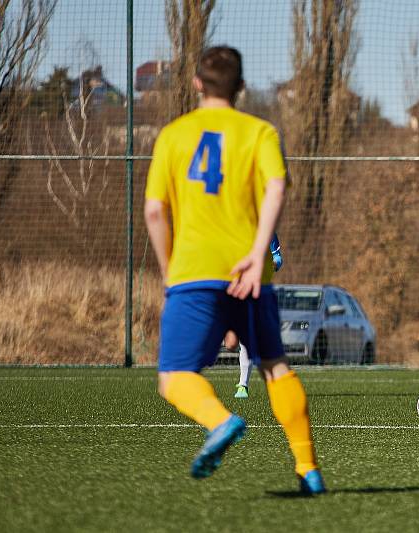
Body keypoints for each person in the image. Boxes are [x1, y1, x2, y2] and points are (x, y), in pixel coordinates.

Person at [144, 46, 325, 494]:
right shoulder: (260, 131)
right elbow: (277, 188)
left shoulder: (172, 135)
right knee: (276, 368)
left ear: (196, 83)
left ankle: (220, 421)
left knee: (175, 378)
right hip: (250, 272)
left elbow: (153, 211)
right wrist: (259, 251)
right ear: (241, 87)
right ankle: (308, 469)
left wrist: (171, 272)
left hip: (193, 274)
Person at [225, 233, 283, 400]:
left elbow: (278, 257)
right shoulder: (233, 225)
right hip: (234, 287)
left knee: (249, 341)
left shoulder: (268, 231)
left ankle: (243, 385)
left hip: (257, 290)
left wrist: (273, 264)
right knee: (231, 343)